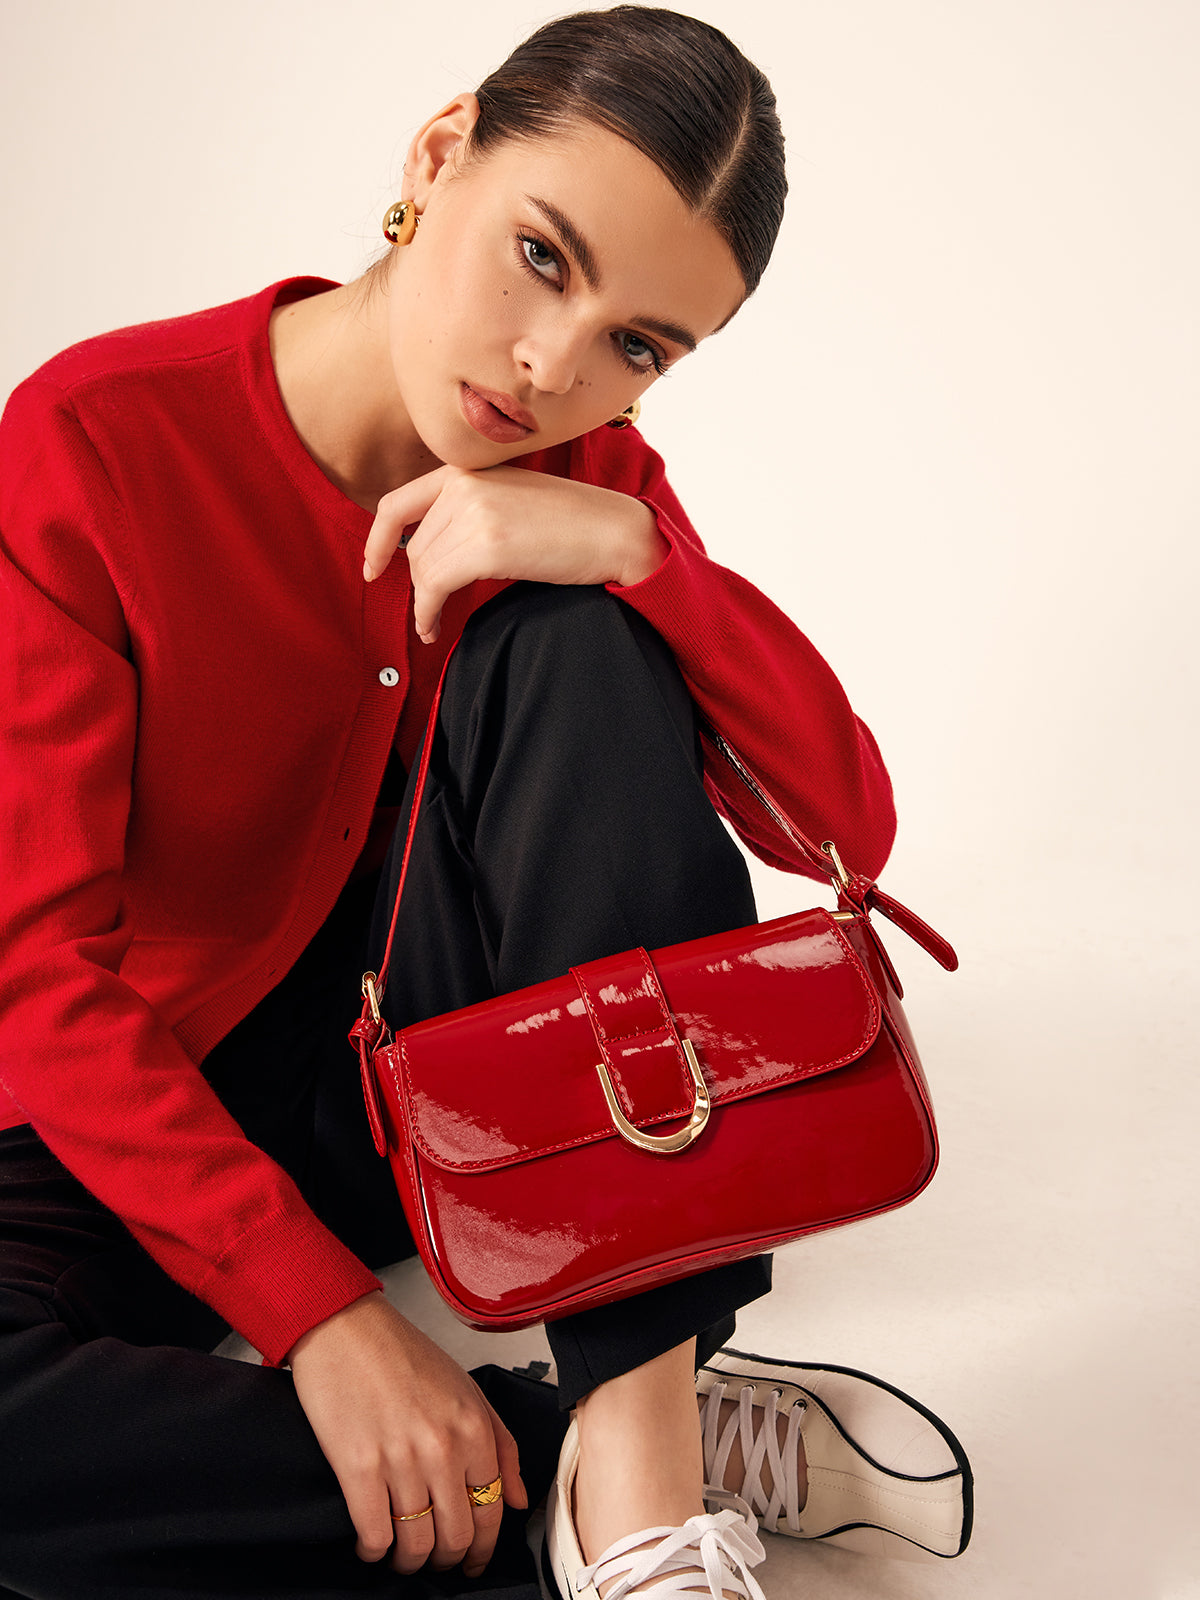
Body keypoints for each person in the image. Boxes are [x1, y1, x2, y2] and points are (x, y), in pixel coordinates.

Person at [0, 7, 972, 1598]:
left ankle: (639, 1487)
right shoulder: (97, 436)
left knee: (579, 637)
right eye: (541, 257)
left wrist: (645, 565)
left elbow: (843, 826)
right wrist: (322, 1316)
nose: (555, 365)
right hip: (133, 1107)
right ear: (440, 153)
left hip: (423, 1089)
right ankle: (568, 1455)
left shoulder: (592, 474)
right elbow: (35, 975)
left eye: (639, 347)